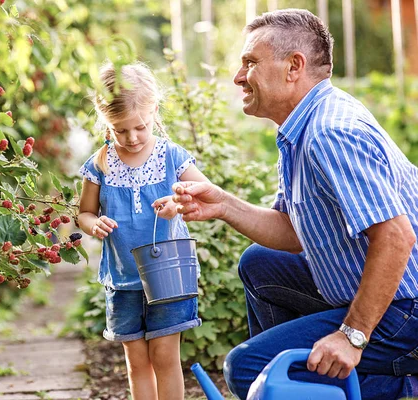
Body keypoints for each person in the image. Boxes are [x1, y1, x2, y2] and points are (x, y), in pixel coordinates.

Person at [171, 8, 418, 400]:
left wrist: (351, 336)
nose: (238, 77)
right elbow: (294, 232)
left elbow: (396, 237)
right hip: (383, 291)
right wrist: (223, 204)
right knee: (260, 263)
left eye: (250, 63)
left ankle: (398, 386)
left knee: (250, 368)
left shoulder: (329, 133)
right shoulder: (302, 127)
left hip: (407, 310)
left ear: (293, 67)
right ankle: (297, 381)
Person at [78, 61, 209, 400]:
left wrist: (177, 203)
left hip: (168, 273)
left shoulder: (172, 156)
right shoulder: (100, 163)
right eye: (120, 130)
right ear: (105, 121)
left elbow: (207, 195)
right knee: (137, 361)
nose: (132, 137)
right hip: (122, 278)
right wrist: (94, 224)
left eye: (140, 126)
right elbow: (85, 213)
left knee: (165, 356)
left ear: (154, 110)